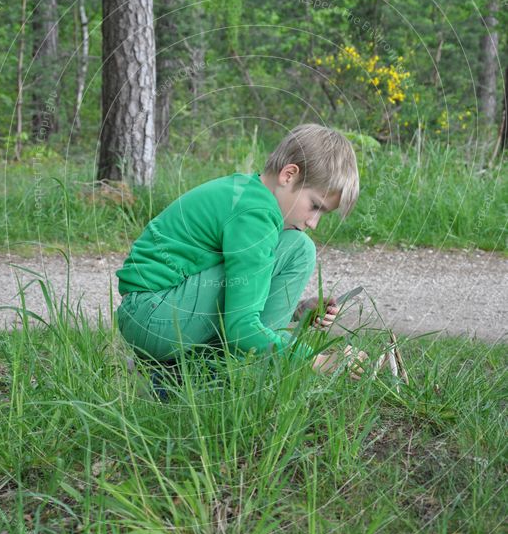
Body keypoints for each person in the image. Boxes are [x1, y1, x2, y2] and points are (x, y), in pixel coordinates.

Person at [116, 123, 363, 391]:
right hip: (155, 315)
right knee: (299, 248)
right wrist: (317, 361)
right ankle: (243, 377)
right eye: (315, 206)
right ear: (289, 175)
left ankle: (169, 377)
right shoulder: (256, 214)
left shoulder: (247, 193)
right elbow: (240, 327)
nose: (314, 222)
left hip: (150, 314)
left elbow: (237, 288)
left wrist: (296, 310)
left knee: (295, 245)